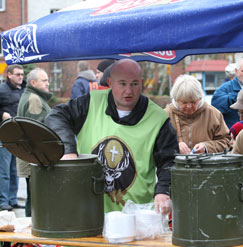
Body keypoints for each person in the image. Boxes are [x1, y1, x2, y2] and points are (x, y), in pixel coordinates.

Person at [45, 59, 178, 214]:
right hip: (88, 210)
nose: (128, 91)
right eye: (122, 83)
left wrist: (163, 190)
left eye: (134, 84)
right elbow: (55, 117)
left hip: (136, 215)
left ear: (142, 82)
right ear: (110, 82)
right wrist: (68, 150)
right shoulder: (90, 103)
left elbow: (169, 161)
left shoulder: (158, 118)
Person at [17, 68, 53, 217]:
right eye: (44, 80)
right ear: (33, 82)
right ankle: (32, 235)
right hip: (36, 158)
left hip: (31, 157)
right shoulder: (34, 100)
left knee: (33, 198)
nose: (48, 83)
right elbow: (37, 133)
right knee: (36, 200)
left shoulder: (31, 96)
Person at [165, 75, 230, 154]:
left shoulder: (213, 114)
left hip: (206, 165)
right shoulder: (165, 116)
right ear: (175, 99)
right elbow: (154, 144)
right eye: (184, 102)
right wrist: (174, 146)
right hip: (174, 165)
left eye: (193, 102)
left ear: (200, 98)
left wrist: (206, 147)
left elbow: (226, 142)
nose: (189, 106)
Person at [0, 64, 26, 211]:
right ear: (9, 75)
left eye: (22, 74)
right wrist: (1, 115)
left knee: (15, 171)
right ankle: (3, 201)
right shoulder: (2, 90)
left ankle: (13, 199)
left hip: (18, 136)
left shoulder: (23, 90)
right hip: (4, 135)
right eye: (17, 74)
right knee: (4, 171)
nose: (21, 77)